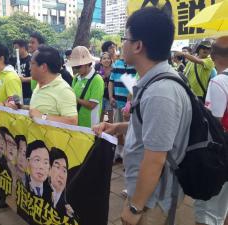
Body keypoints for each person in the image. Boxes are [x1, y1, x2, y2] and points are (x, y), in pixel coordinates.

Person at [93, 7, 192, 225]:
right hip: (149, 195)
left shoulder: (160, 92)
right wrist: (120, 126)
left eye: (124, 38)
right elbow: (154, 130)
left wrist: (135, 207)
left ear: (138, 45)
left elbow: (155, 159)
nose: (121, 44)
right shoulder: (155, 83)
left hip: (153, 202)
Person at [194, 36, 228, 225]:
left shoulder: (219, 82)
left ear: (213, 56)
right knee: (223, 206)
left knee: (208, 211)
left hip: (221, 153)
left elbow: (214, 125)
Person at [29, 45, 78, 125]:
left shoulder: (63, 90)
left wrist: (42, 117)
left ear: (43, 67)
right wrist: (21, 107)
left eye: (32, 63)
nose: (29, 67)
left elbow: (72, 121)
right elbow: (39, 110)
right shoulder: (39, 84)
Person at [68, 46, 104, 128]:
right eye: (74, 67)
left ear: (87, 63)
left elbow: (92, 105)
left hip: (90, 125)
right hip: (76, 122)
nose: (76, 69)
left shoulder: (97, 79)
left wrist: (75, 98)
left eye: (78, 66)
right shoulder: (76, 78)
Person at [49, 147, 75, 218]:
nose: (61, 176)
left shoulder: (68, 207)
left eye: (64, 170)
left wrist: (71, 216)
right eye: (57, 167)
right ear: (49, 169)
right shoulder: (40, 191)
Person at [11, 40, 32, 105]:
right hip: (17, 94)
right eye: (14, 48)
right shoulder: (15, 60)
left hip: (27, 95)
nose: (15, 50)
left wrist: (24, 79)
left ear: (23, 48)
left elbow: (36, 78)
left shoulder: (31, 60)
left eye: (16, 48)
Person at [96, 52, 113, 122]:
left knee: (111, 117)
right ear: (101, 61)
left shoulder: (114, 70)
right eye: (104, 58)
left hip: (110, 97)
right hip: (100, 96)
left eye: (108, 58)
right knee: (100, 116)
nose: (106, 60)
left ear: (111, 60)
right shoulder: (97, 69)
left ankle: (111, 133)